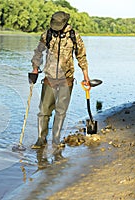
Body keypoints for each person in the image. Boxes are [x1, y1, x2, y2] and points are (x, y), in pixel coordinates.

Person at [30, 11, 90, 149]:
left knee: (61, 111)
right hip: (49, 78)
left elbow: (81, 57)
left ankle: (56, 139)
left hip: (66, 79)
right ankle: (41, 139)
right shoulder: (47, 35)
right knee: (44, 111)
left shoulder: (74, 36)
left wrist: (86, 77)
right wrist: (35, 68)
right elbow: (38, 52)